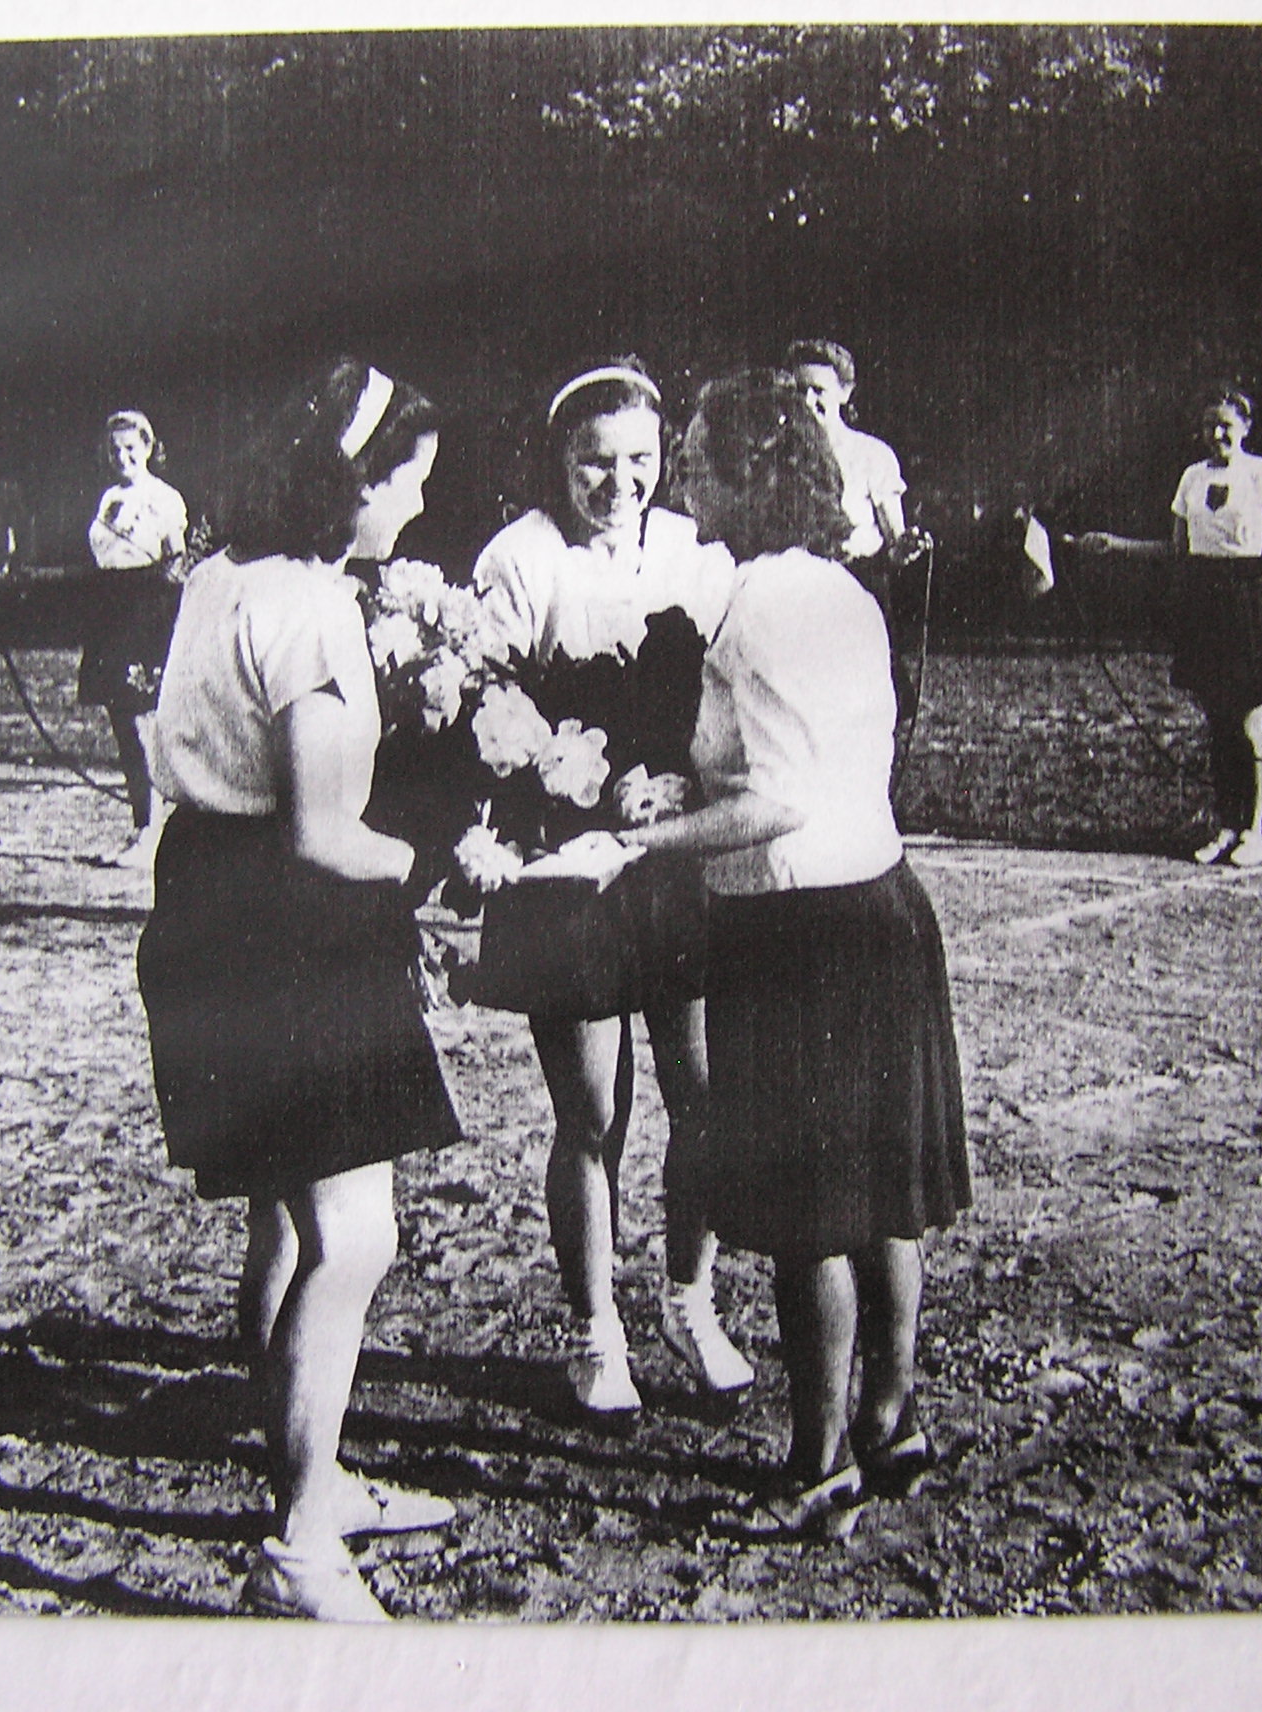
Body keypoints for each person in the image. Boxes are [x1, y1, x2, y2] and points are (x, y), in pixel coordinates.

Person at [137, 357, 461, 1621]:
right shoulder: (315, 607)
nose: (416, 506)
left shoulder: (218, 574)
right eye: (406, 482)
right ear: (350, 483)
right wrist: (442, 863)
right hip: (289, 922)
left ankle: (311, 1479)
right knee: (355, 1233)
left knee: (283, 1213)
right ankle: (298, 1542)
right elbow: (324, 834)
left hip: (203, 898)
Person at [621, 369, 970, 1540]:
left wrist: (636, 840)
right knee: (881, 1200)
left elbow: (772, 802)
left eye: (696, 454)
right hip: (881, 906)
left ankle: (817, 1467)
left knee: (810, 1213)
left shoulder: (753, 606)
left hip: (797, 931)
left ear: (749, 474)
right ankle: (889, 1420)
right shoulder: (840, 589)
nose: (680, 471)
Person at [471, 357, 753, 1411]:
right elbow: (483, 714)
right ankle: (595, 1334)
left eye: (639, 460)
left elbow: (730, 698)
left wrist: (679, 783)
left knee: (704, 1096)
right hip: (566, 866)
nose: (619, 482)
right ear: (559, 458)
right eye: (595, 462)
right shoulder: (519, 560)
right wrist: (570, 777)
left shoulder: (693, 550)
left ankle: (690, 1300)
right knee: (592, 1112)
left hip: (675, 853)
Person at [1075, 389, 1262, 867]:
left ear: (1246, 427)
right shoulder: (1191, 477)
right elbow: (1177, 550)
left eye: (1226, 424)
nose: (1216, 433)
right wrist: (1114, 545)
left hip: (1247, 600)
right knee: (1218, 723)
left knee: (1249, 721)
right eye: (1208, 425)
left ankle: (1255, 831)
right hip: (1202, 602)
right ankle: (1226, 825)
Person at [784, 339, 930, 714]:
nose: (807, 401)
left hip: (859, 586)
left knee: (866, 700)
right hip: (799, 591)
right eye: (798, 390)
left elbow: (894, 543)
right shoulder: (780, 456)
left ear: (845, 393)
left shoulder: (871, 455)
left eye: (818, 390)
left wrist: (905, 547)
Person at [79, 409, 191, 869]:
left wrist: (161, 605)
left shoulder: (164, 498)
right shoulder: (108, 498)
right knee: (122, 721)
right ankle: (143, 826)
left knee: (144, 723)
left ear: (148, 447)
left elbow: (177, 561)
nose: (121, 456)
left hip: (146, 613)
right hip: (110, 607)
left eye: (130, 447)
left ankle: (155, 833)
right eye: (114, 449)